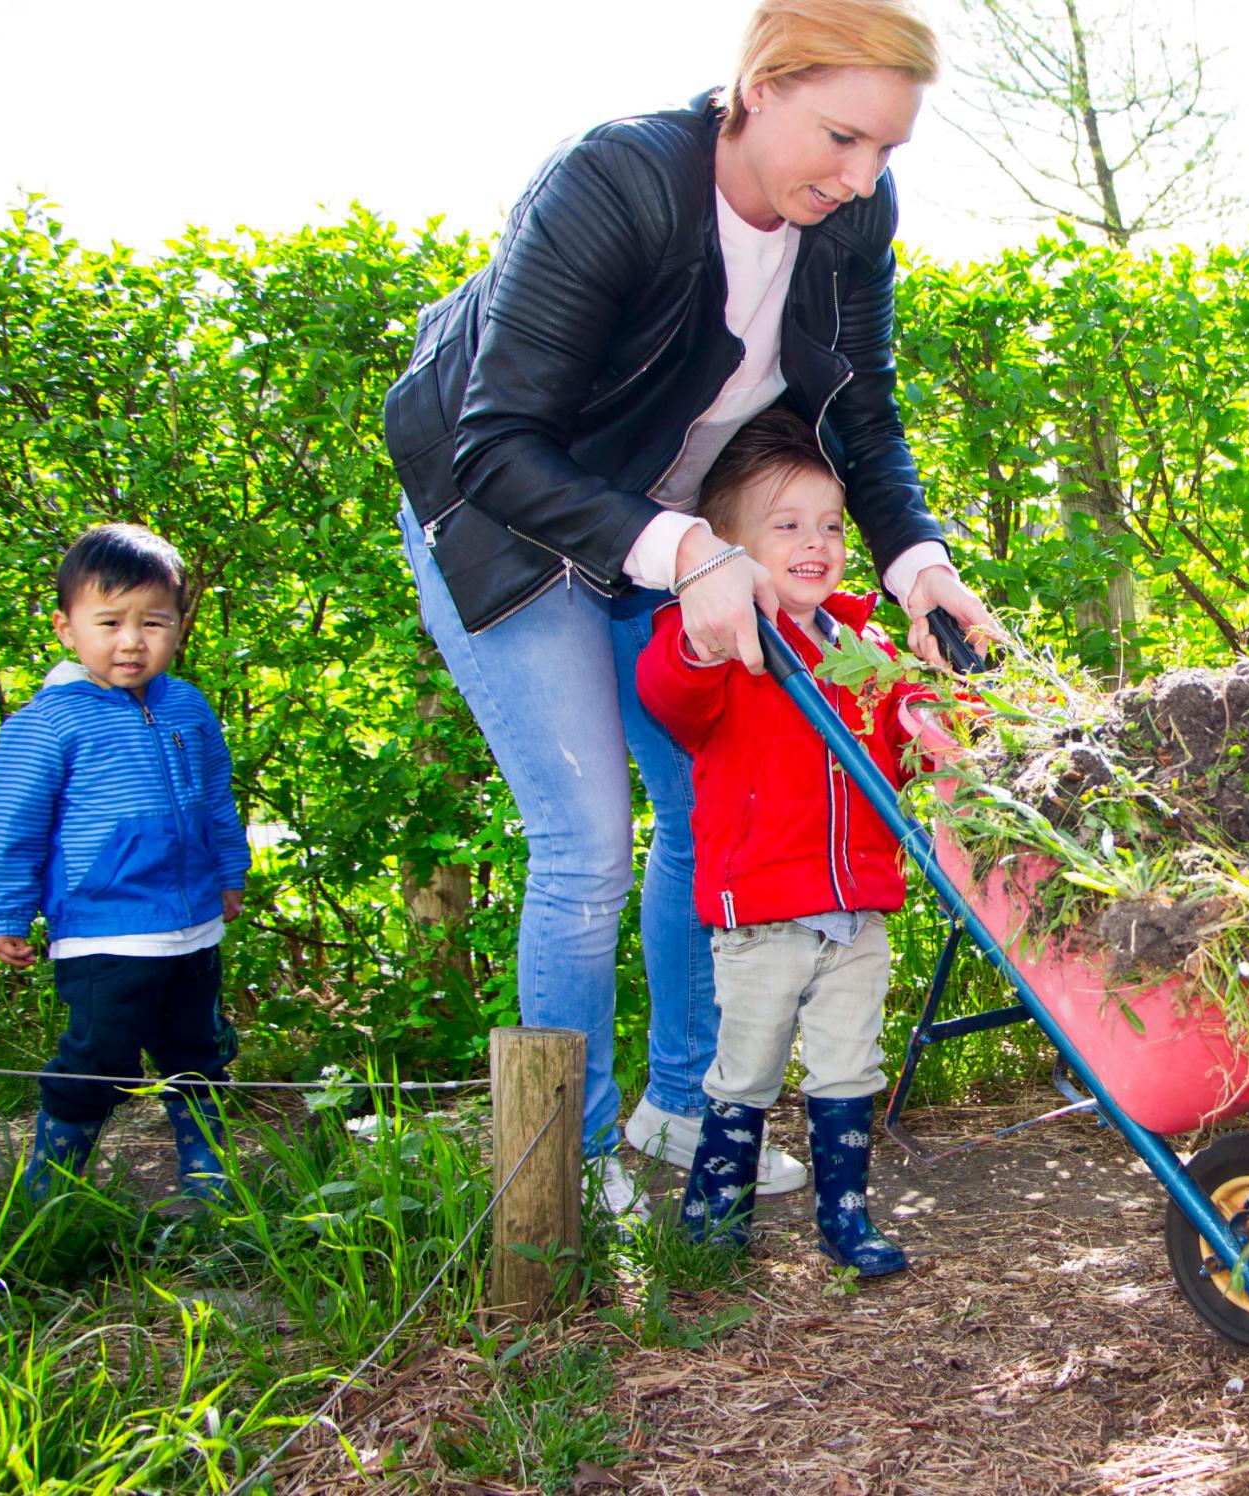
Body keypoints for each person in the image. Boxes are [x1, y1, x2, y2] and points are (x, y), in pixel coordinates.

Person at [380, 0, 991, 1218]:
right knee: (586, 839)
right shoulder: (615, 182)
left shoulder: (850, 216)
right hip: (511, 514)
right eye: (840, 137)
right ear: (758, 85)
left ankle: (676, 1111)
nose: (860, 177)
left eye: (886, 152)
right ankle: (564, 1160)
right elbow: (497, 441)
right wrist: (687, 551)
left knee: (705, 804)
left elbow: (859, 412)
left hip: (671, 530)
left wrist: (920, 563)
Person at [636, 408, 926, 1273]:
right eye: (787, 525)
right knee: (746, 1072)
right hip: (761, 910)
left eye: (831, 525)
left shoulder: (865, 644)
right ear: (726, 546)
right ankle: (712, 1221)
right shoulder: (723, 644)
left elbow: (901, 757)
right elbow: (668, 697)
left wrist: (938, 712)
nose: (816, 542)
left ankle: (845, 1219)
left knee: (847, 1068)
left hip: (857, 908)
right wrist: (699, 625)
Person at [0, 525, 251, 1204]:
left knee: (199, 1049)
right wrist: (5, 913)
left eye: (153, 622)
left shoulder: (186, 706)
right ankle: (54, 1189)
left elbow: (216, 800)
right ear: (66, 628)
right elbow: (12, 829)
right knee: (99, 1058)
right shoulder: (46, 724)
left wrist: (229, 873)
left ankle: (205, 1175)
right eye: (109, 622)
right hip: (105, 931)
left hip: (194, 926)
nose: (132, 640)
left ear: (176, 624)